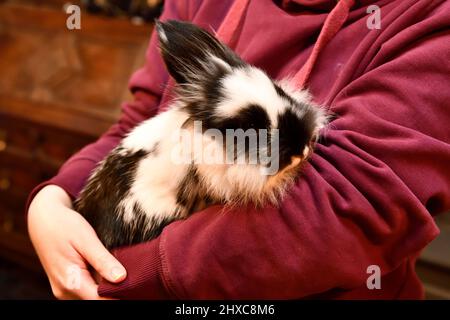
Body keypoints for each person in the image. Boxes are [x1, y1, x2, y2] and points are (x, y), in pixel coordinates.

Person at [27, 0, 450, 299]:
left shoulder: (428, 18)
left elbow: (349, 207)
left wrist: (121, 277)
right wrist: (54, 200)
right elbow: (142, 116)